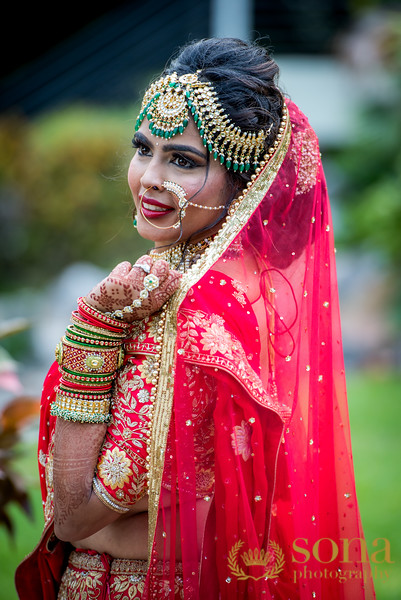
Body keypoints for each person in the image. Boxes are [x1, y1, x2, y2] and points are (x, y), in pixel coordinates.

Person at [16, 37, 376, 599]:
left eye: (183, 160)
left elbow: (76, 514)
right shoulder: (214, 287)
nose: (150, 178)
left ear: (244, 184)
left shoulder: (200, 315)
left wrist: (94, 329)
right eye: (145, 149)